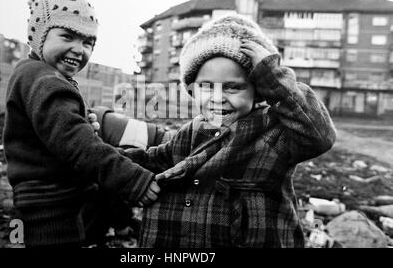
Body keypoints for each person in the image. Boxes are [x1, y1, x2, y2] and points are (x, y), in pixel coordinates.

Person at [123, 14, 337, 248]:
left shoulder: (274, 132)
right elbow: (155, 159)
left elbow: (319, 135)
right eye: (206, 87)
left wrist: (272, 75)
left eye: (232, 87)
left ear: (257, 90)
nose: (217, 98)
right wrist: (106, 156)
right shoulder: (192, 132)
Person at [3, 0, 160, 248]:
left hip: (54, 198)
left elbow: (56, 134)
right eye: (67, 36)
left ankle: (118, 223)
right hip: (50, 206)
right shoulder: (44, 80)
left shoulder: (35, 74)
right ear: (39, 36)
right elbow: (77, 143)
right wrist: (134, 181)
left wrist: (82, 122)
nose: (79, 49)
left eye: (88, 42)